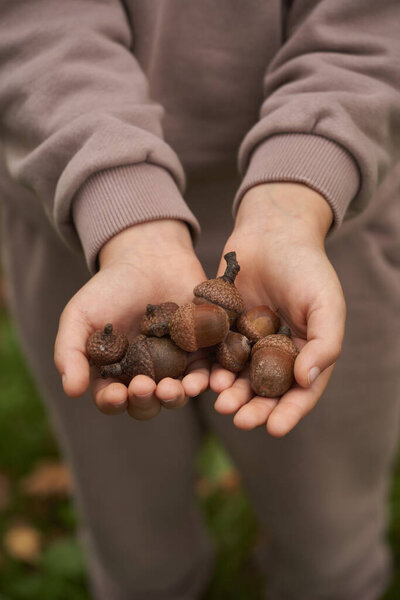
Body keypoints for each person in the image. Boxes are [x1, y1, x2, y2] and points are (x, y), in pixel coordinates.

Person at [1, 1, 399, 598]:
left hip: (328, 218)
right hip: (83, 220)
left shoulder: (256, 318)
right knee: (133, 533)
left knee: (328, 528)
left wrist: (299, 191)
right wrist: (121, 203)